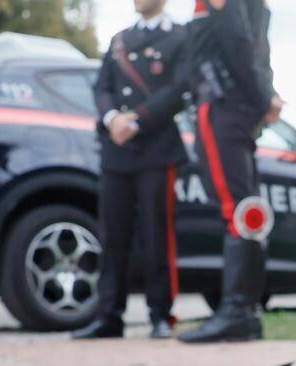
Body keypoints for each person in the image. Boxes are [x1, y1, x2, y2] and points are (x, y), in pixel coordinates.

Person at [72, 0, 189, 340]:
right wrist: (113, 119)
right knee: (113, 236)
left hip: (156, 149)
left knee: (157, 235)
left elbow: (179, 89)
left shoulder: (180, 37)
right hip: (117, 152)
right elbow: (102, 87)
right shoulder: (120, 40)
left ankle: (161, 315)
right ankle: (109, 315)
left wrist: (137, 120)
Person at [176, 0, 282, 343]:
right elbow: (254, 47)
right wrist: (265, 95)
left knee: (236, 211)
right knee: (247, 212)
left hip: (222, 107)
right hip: (238, 108)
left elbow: (239, 40)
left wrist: (265, 96)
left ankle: (236, 313)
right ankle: (246, 313)